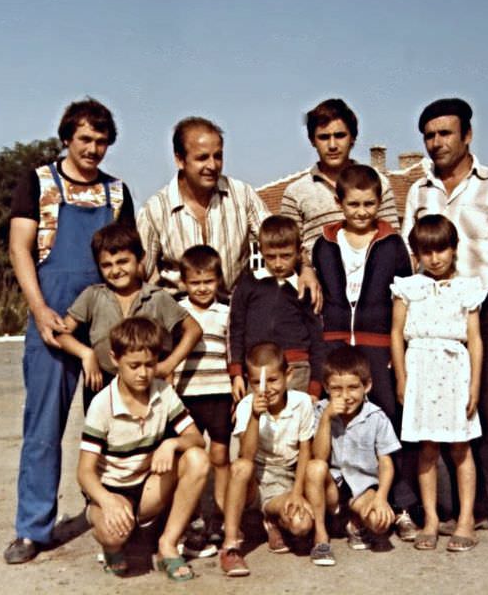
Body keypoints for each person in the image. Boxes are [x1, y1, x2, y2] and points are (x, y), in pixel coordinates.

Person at [5, 98, 135, 564]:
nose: (93, 149)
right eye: (85, 139)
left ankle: (112, 524)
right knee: (43, 428)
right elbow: (20, 248)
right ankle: (32, 528)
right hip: (54, 320)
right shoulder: (38, 182)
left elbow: (129, 260)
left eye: (102, 141)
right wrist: (38, 308)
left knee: (114, 430)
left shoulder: (117, 193)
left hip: (107, 324)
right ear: (67, 138)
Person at [402, 97, 488, 545]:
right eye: (430, 135)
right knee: (443, 413)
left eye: (445, 133)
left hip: (486, 304)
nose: (437, 142)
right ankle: (470, 511)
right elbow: (410, 252)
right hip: (434, 309)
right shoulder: (419, 192)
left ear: (467, 136)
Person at [311, 163, 420, 540]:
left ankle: (402, 505)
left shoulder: (391, 243)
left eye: (369, 204)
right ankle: (344, 501)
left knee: (389, 421)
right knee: (335, 420)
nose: (361, 212)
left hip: (378, 344)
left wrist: (398, 348)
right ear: (339, 201)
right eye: (353, 204)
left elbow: (405, 298)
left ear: (380, 203)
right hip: (336, 342)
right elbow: (317, 296)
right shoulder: (324, 244)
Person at [137, 116, 321, 308]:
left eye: (217, 156)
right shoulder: (155, 209)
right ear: (179, 159)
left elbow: (281, 239)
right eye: (202, 158)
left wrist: (306, 269)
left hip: (236, 312)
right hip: (179, 315)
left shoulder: (242, 195)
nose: (212, 165)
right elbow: (140, 273)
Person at [77, 317, 210, 581]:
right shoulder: (103, 404)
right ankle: (111, 545)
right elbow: (84, 472)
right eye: (134, 365)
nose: (143, 373)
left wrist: (171, 443)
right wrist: (107, 501)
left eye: (150, 364)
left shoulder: (163, 392)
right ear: (115, 360)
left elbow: (197, 439)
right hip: (114, 488)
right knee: (114, 535)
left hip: (148, 485)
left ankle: (167, 545)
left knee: (197, 459)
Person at [390, 215, 486, 552]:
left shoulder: (467, 288)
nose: (435, 258)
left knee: (461, 448)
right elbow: (396, 334)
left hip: (454, 372)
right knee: (427, 450)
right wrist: (401, 378)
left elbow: (474, 340)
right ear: (416, 254)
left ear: (454, 249)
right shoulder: (407, 288)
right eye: (426, 252)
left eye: (441, 249)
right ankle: (430, 519)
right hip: (421, 371)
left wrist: (475, 385)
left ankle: (465, 519)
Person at [55, 223, 202, 413]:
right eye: (107, 265)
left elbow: (194, 329)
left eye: (123, 261)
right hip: (103, 383)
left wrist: (168, 365)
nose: (115, 270)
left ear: (140, 258)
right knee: (102, 438)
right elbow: (61, 333)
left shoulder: (157, 297)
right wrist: (86, 354)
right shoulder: (92, 296)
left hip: (147, 382)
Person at [219, 342, 315, 577]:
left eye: (273, 380)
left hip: (284, 480)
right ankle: (230, 545)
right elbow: (247, 456)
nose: (266, 389)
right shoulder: (246, 406)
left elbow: (305, 451)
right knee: (240, 466)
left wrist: (297, 493)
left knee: (302, 525)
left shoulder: (301, 402)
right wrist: (254, 416)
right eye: (257, 382)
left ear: (288, 375)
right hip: (255, 479)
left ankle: (273, 519)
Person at [305, 345, 402, 566]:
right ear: (326, 388)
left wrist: (381, 498)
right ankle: (321, 536)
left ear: (367, 386)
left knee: (380, 522)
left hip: (362, 487)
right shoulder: (321, 411)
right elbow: (318, 456)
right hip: (331, 487)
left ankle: (354, 521)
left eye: (353, 387)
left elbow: (386, 463)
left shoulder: (376, 417)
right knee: (315, 467)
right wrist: (327, 419)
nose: (346, 396)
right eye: (337, 389)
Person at [280, 98, 400, 263]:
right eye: (324, 137)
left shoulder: (379, 183)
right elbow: (288, 248)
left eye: (340, 135)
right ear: (312, 141)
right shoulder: (295, 192)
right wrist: (306, 269)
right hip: (320, 284)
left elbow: (392, 239)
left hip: (373, 282)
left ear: (352, 138)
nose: (332, 145)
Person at [172, 244, 234, 555]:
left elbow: (233, 353)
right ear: (184, 282)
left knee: (220, 458)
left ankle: (219, 518)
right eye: (195, 283)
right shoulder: (177, 312)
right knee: (192, 457)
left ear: (218, 280)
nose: (202, 289)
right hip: (187, 396)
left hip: (220, 393)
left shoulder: (227, 312)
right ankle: (194, 519)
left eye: (208, 282)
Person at [229, 216, 324, 398]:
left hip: (297, 370)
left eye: (286, 256)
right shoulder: (248, 284)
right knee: (260, 423)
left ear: (299, 252)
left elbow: (317, 338)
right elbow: (236, 330)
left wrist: (315, 385)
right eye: (271, 257)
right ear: (261, 250)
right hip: (257, 370)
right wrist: (237, 374)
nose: (278, 263)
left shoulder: (304, 287)